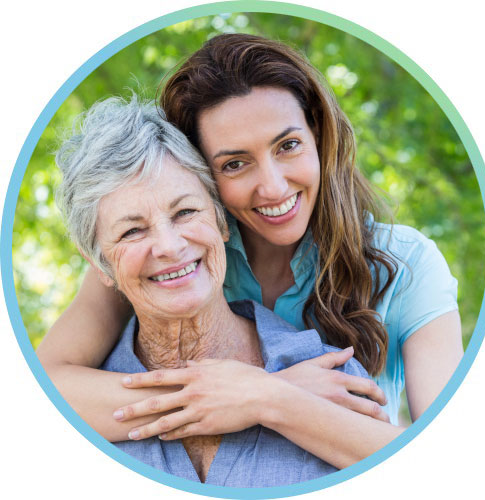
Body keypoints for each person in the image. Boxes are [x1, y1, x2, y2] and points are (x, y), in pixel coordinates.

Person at [37, 34, 462, 467]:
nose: (274, 186)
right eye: (235, 164)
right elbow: (42, 389)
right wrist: (235, 393)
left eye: (288, 145)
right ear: (199, 172)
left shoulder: (408, 262)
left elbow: (447, 462)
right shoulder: (173, 260)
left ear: (317, 135)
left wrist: (267, 397)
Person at [49, 95, 384, 486]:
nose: (170, 246)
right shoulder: (66, 410)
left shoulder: (334, 379)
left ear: (222, 223)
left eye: (185, 212)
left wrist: (266, 395)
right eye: (132, 231)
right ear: (99, 264)